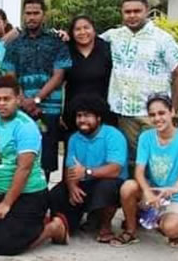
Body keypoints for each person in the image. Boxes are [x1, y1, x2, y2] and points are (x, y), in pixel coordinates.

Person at [0, 74, 68, 255]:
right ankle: (26, 226)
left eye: (7, 99)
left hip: (29, 195)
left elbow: (24, 168)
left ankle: (53, 228)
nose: (1, 103)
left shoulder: (25, 126)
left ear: (18, 99)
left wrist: (6, 203)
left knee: (4, 246)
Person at [100, 0, 178, 164]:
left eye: (137, 11)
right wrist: (63, 36)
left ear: (147, 11)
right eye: (127, 12)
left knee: (158, 163)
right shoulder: (113, 36)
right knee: (130, 164)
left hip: (152, 116)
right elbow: (85, 41)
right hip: (123, 115)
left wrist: (173, 108)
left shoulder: (162, 39)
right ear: (122, 13)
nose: (132, 15)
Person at [112, 94, 178, 249]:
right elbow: (139, 171)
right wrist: (148, 192)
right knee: (128, 187)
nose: (157, 118)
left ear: (172, 112)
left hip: (177, 196)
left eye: (161, 113)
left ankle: (163, 224)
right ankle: (131, 231)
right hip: (153, 190)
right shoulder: (146, 137)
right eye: (152, 115)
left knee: (171, 228)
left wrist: (175, 188)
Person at [2, 0, 71, 181]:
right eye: (28, 13)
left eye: (36, 13)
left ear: (44, 15)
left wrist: (37, 99)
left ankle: (43, 200)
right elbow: (10, 75)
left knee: (46, 156)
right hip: (22, 109)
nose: (31, 17)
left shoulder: (56, 42)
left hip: (48, 109)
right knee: (19, 152)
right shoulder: (14, 44)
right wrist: (23, 101)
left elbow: (59, 76)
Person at [48, 94, 127, 244]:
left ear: (98, 117)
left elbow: (115, 169)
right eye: (79, 116)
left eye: (87, 115)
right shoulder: (74, 138)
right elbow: (70, 168)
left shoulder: (113, 135)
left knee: (106, 186)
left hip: (108, 181)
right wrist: (72, 187)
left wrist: (86, 172)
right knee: (57, 193)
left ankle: (105, 226)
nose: (82, 120)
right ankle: (67, 225)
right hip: (84, 184)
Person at [64, 15, 114, 129]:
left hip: (103, 111)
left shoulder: (106, 48)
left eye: (86, 27)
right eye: (77, 29)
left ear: (94, 29)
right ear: (72, 32)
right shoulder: (66, 50)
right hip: (75, 112)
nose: (82, 32)